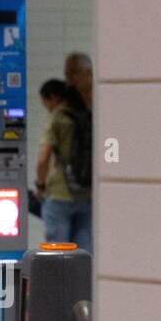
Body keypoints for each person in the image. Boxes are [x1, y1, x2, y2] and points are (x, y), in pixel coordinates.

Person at [35, 78, 92, 253]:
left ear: (52, 98)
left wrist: (40, 185)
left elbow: (43, 158)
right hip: (85, 193)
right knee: (83, 254)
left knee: (58, 253)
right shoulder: (86, 115)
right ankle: (83, 282)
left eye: (45, 102)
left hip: (60, 193)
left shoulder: (57, 118)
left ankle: (59, 281)